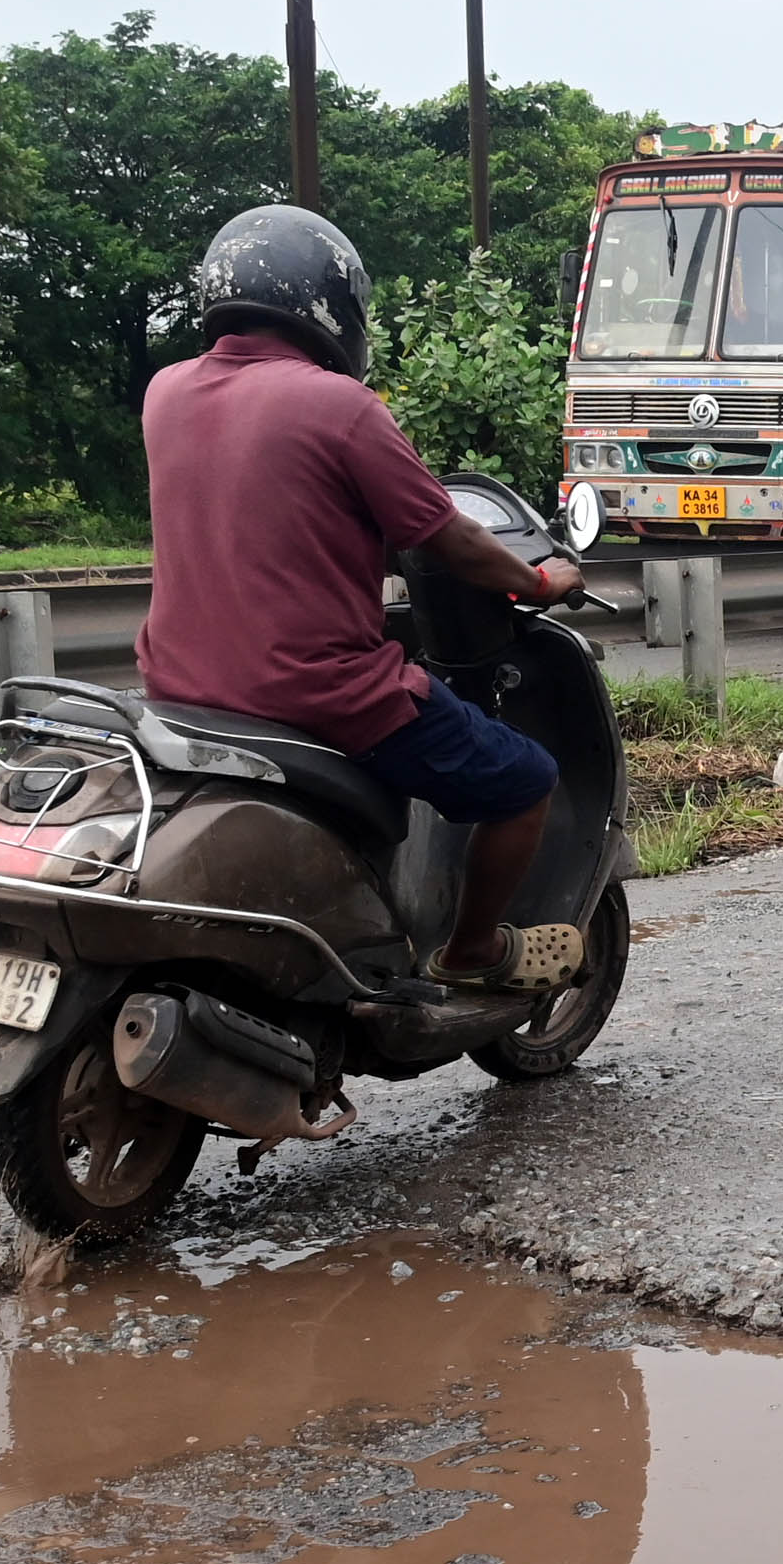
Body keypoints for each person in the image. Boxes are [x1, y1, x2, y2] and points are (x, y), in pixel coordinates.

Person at [134, 203, 591, 994]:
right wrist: (540, 579)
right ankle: (473, 951)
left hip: (180, 690)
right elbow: (448, 537)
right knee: (526, 779)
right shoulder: (342, 408)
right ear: (330, 303)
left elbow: (268, 504)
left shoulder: (165, 392)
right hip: (320, 695)